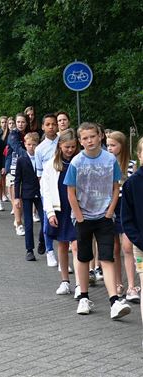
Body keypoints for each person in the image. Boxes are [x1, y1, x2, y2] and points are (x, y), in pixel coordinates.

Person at [64, 122, 131, 319]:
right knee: (83, 257)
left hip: (104, 216)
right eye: (84, 138)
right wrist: (79, 216)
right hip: (83, 216)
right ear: (80, 141)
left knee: (107, 257)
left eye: (92, 136)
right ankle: (84, 297)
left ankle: (114, 301)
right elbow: (70, 191)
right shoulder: (76, 162)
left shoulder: (110, 160)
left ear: (100, 136)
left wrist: (110, 212)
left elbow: (115, 187)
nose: (89, 141)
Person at [41, 129, 80, 295]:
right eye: (66, 147)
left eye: (72, 147)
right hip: (59, 208)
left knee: (77, 245)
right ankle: (65, 281)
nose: (70, 150)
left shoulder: (79, 162)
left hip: (76, 208)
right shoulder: (51, 164)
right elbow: (46, 190)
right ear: (60, 146)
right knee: (62, 244)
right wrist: (50, 212)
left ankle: (80, 283)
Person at [107, 131, 139, 302]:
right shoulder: (106, 164)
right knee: (115, 248)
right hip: (111, 207)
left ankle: (132, 286)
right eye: (108, 145)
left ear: (122, 146)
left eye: (113, 145)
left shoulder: (132, 165)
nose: (110, 148)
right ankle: (118, 283)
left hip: (126, 208)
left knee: (127, 247)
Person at [121, 137, 143, 333]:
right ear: (140, 155)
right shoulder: (132, 184)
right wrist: (139, 240)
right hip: (141, 245)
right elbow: (127, 219)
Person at [14, 132, 45, 261]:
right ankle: (29, 249)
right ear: (25, 145)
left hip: (40, 192)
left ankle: (42, 241)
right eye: (28, 144)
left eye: (34, 144)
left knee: (45, 220)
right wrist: (16, 197)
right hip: (26, 194)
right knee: (28, 222)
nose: (31, 147)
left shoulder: (41, 158)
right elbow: (17, 180)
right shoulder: (21, 160)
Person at [35, 114, 60, 266]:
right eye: (48, 124)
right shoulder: (39, 149)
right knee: (47, 220)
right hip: (48, 189)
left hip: (63, 186)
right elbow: (39, 174)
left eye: (54, 124)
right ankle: (50, 251)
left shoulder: (63, 142)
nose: (51, 127)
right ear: (43, 127)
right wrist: (43, 192)